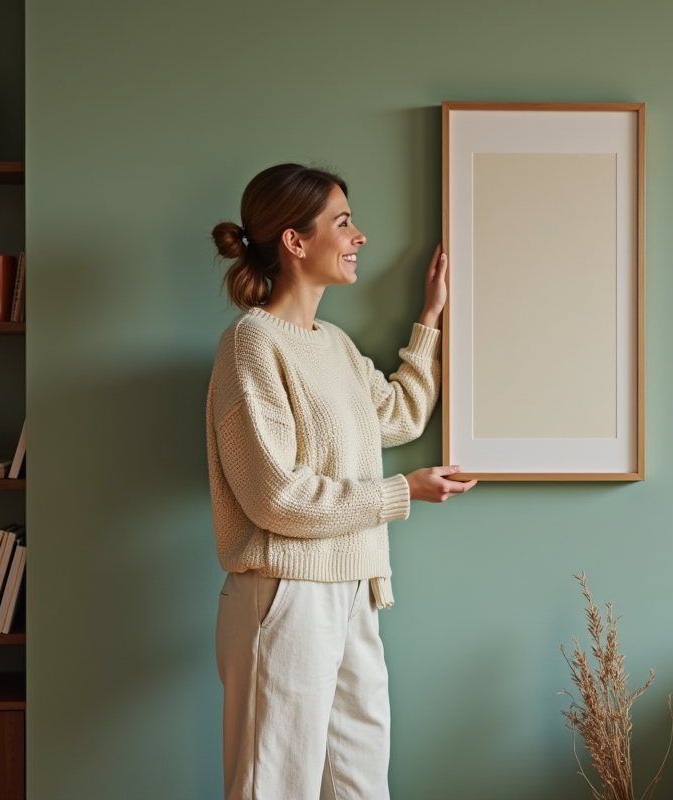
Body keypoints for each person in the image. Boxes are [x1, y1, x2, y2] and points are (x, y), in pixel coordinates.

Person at [205, 163, 475, 800]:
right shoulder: (251, 343)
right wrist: (400, 492)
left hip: (352, 585)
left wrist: (430, 319)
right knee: (273, 786)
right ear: (295, 242)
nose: (359, 236)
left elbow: (400, 415)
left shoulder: (336, 345)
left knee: (359, 785)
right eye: (344, 222)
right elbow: (275, 497)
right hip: (287, 593)